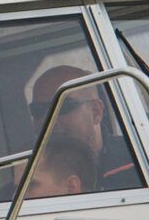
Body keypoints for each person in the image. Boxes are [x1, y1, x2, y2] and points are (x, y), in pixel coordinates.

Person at [23, 63, 108, 198]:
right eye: (38, 110)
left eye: (61, 107)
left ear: (96, 112)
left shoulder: (139, 165)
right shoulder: (22, 185)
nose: (48, 120)